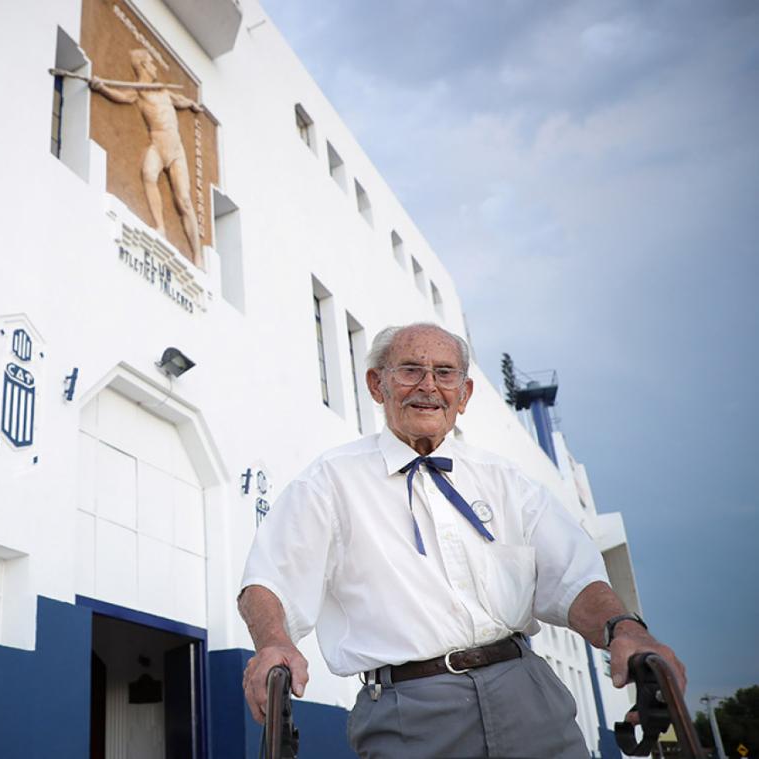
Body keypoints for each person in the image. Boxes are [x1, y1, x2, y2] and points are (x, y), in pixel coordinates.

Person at [238, 322, 684, 758]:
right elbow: (267, 581)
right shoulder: (329, 481)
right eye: (410, 369)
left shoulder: (506, 481)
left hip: (526, 692)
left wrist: (623, 629)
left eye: (445, 373)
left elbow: (574, 579)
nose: (429, 386)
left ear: (464, 395)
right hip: (407, 710)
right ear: (378, 385)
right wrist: (273, 642)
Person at [89, 49, 203, 266]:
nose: (154, 67)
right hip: (158, 143)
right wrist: (101, 87)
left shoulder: (164, 91)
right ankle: (160, 227)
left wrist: (192, 105)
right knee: (148, 173)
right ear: (142, 65)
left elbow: (181, 100)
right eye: (151, 63)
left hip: (176, 148)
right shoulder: (138, 92)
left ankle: (197, 255)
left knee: (185, 201)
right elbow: (121, 96)